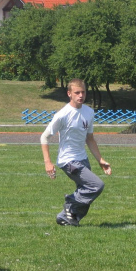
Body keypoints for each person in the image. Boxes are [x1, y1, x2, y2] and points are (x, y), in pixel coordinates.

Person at [40, 78, 112, 226]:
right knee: (96, 186)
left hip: (83, 159)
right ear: (69, 94)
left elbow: (90, 139)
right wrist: (48, 162)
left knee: (86, 194)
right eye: (77, 92)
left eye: (83, 92)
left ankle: (66, 218)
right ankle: (70, 203)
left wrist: (100, 160)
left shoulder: (89, 112)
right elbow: (44, 137)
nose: (81, 95)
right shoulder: (63, 114)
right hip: (68, 161)